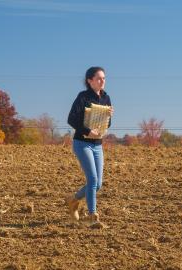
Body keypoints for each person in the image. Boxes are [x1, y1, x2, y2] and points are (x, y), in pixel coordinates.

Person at [66, 66, 113, 225]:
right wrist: (87, 131)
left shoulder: (106, 98)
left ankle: (74, 200)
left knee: (97, 184)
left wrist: (108, 116)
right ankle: (93, 216)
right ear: (90, 81)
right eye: (99, 78)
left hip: (97, 145)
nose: (102, 81)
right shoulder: (83, 97)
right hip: (82, 143)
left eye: (104, 78)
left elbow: (107, 125)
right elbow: (71, 119)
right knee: (92, 179)